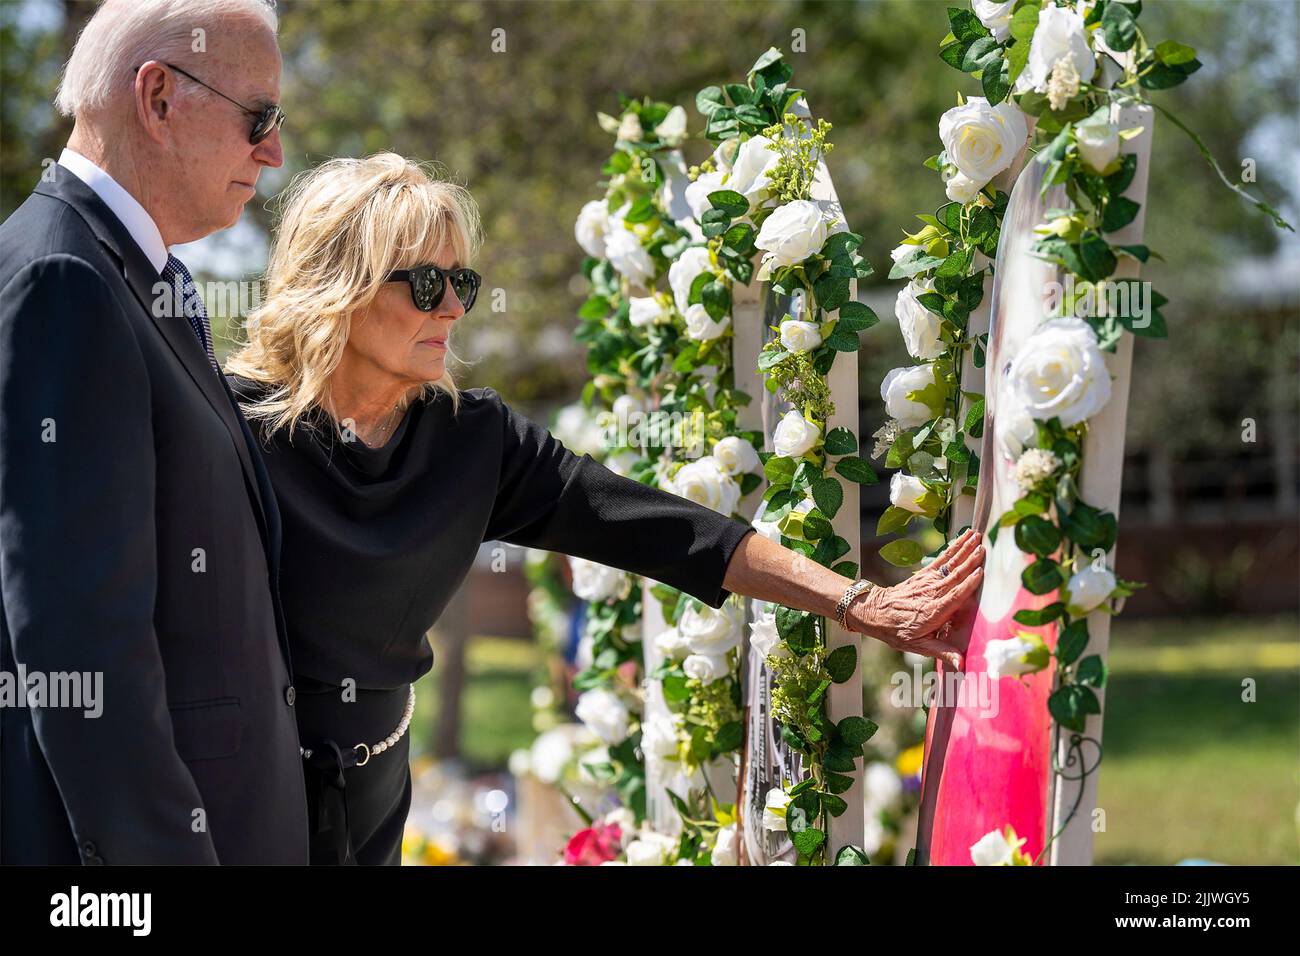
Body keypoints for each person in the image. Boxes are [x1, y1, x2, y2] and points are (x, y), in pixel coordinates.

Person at [227, 152, 985, 865]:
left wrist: (860, 603)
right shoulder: (229, 426)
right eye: (428, 286)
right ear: (343, 288)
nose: (455, 308)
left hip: (375, 792)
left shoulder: (471, 440)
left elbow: (667, 531)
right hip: (239, 790)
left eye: (466, 283)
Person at [0, 0, 303, 864]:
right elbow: (81, 650)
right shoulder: (66, 276)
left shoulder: (124, 271)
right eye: (261, 117)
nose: (274, 151)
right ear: (159, 97)